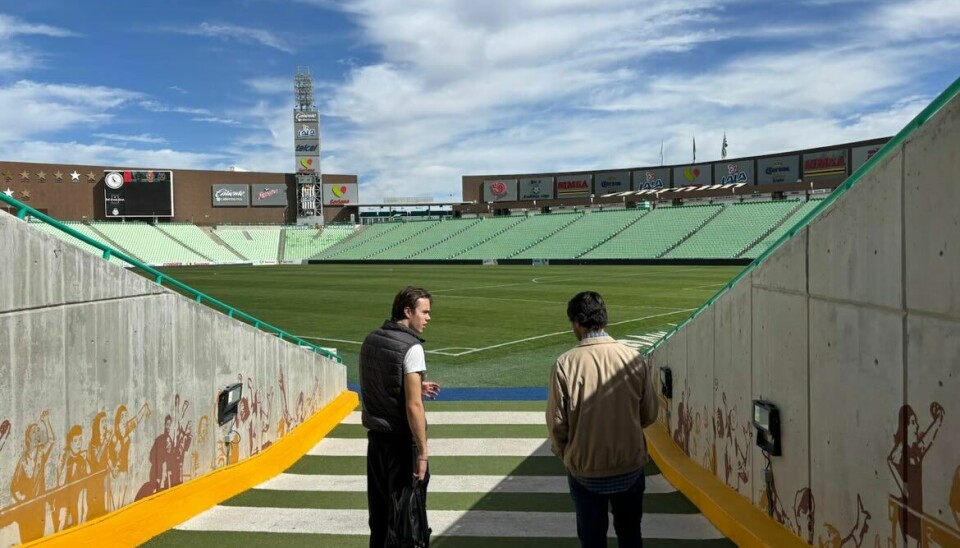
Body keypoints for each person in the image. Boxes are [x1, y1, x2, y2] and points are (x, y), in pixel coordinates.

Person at [547, 291, 658, 548]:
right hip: (629, 466)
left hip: (585, 470)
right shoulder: (634, 358)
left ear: (576, 322)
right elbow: (649, 413)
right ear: (604, 320)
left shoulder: (565, 364)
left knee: (592, 540)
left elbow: (557, 424)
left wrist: (566, 453)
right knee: (630, 535)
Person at [360, 286, 441, 548]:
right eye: (424, 312)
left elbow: (378, 384)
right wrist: (422, 453)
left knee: (380, 516)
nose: (428, 318)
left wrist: (417, 385)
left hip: (376, 443)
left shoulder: (371, 340)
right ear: (408, 311)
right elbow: (413, 406)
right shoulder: (412, 347)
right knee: (407, 519)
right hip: (401, 445)